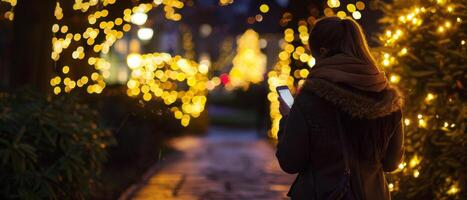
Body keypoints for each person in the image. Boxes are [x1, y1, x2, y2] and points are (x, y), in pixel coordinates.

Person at [276, 16, 404, 200]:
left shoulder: (311, 99)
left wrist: (288, 118)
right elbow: (392, 163)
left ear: (323, 51)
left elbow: (290, 161)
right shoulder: (387, 98)